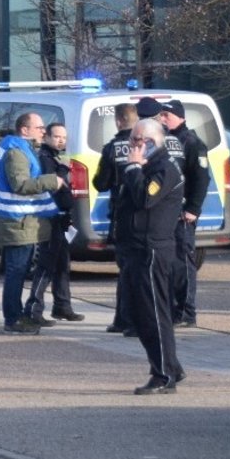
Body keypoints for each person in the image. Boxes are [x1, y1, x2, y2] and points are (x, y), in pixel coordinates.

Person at [113, 119, 185, 394]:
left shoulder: (164, 168)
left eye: (139, 140)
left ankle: (163, 374)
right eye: (133, 140)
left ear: (155, 140)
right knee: (137, 314)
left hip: (152, 249)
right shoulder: (146, 167)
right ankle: (171, 367)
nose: (134, 146)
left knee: (153, 314)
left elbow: (146, 197)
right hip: (135, 248)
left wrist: (133, 168)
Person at [0, 111, 63, 334]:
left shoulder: (21, 148)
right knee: (16, 271)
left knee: (18, 270)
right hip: (16, 220)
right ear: (24, 130)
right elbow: (20, 185)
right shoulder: (16, 152)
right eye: (39, 127)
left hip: (20, 220)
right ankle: (13, 319)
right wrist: (52, 181)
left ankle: (17, 316)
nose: (43, 131)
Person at [148, 98, 209, 327]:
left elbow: (201, 178)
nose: (163, 119)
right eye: (161, 115)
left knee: (183, 263)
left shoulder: (192, 142)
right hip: (167, 213)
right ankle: (173, 310)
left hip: (184, 213)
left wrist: (193, 208)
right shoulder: (166, 140)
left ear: (180, 117)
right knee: (171, 264)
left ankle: (186, 312)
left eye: (168, 115)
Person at [24, 121, 81, 324]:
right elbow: (52, 184)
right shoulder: (45, 158)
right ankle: (34, 310)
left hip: (62, 216)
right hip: (50, 216)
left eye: (64, 137)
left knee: (62, 264)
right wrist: (63, 170)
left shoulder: (56, 157)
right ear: (47, 137)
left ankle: (62, 306)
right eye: (57, 136)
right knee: (46, 265)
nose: (61, 140)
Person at [91, 101, 139, 336]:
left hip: (122, 215)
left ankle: (125, 319)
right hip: (146, 215)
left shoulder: (112, 148)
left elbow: (100, 182)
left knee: (126, 270)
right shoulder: (147, 144)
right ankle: (127, 319)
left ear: (118, 121)